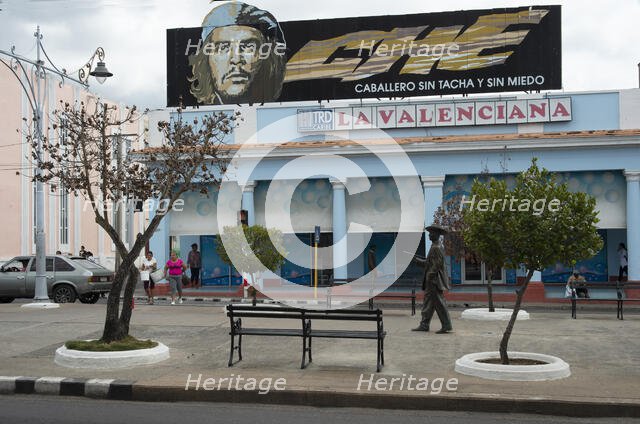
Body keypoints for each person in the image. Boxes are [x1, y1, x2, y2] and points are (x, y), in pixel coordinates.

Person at [188, 1, 287, 105]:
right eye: (223, 48)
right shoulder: (200, 120)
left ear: (270, 58)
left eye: (248, 47)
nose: (236, 59)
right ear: (205, 60)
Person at [412, 224, 453, 333]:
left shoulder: (436, 248)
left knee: (438, 303)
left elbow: (436, 266)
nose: (429, 235)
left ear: (436, 235)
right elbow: (429, 263)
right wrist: (417, 261)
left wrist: (430, 276)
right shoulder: (434, 246)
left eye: (431, 233)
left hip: (434, 281)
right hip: (432, 280)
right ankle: (424, 324)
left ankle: (446, 325)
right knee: (428, 303)